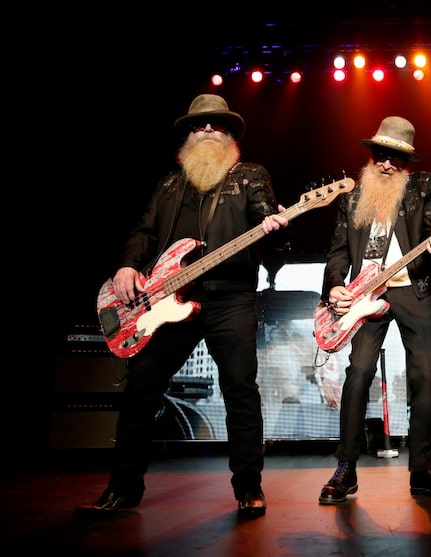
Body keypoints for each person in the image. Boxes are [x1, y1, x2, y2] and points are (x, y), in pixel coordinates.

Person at [75, 94, 290, 520]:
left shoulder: (249, 177)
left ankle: (248, 488)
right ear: (188, 136)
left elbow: (271, 230)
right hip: (168, 299)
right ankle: (122, 489)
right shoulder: (169, 184)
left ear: (230, 136)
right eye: (199, 125)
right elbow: (143, 232)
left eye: (217, 125)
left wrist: (277, 230)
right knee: (141, 388)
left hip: (230, 297)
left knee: (240, 391)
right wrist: (126, 266)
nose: (208, 130)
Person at [317, 115, 431, 504]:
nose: (385, 164)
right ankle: (345, 468)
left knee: (425, 375)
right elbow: (338, 251)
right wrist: (334, 285)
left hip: (412, 289)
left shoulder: (423, 186)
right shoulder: (352, 195)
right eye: (381, 155)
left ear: (407, 162)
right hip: (365, 296)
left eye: (395, 158)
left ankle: (422, 469)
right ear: (371, 155)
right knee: (359, 372)